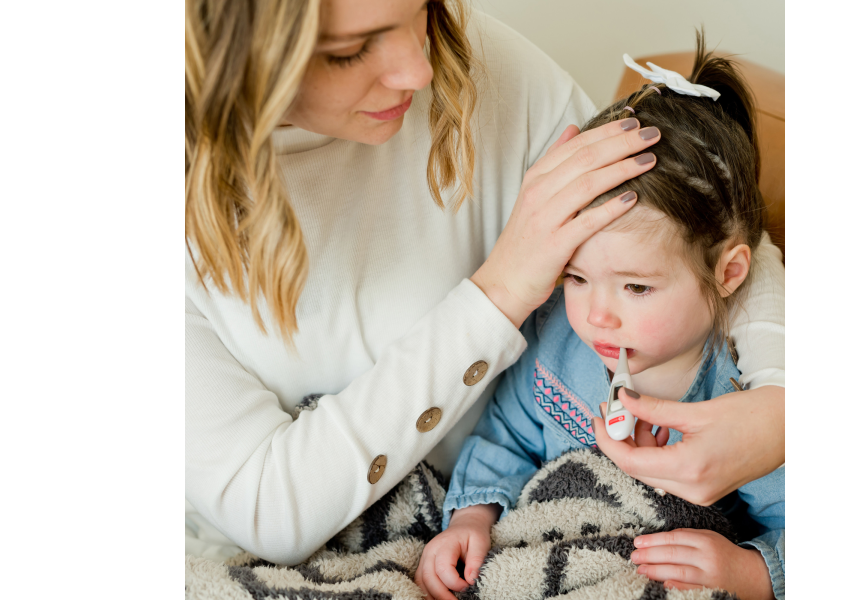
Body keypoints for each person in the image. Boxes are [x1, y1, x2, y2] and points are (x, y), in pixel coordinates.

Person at [184, 0, 786, 566]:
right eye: (349, 50)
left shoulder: (470, 58)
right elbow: (267, 509)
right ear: (231, 57)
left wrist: (776, 402)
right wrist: (499, 293)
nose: (420, 71)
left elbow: (699, 222)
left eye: (422, 11)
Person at [418, 39, 784, 600]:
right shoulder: (556, 342)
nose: (596, 316)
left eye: (637, 287)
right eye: (577, 278)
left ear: (730, 273)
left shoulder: (743, 402)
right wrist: (471, 520)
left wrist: (750, 572)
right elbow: (506, 438)